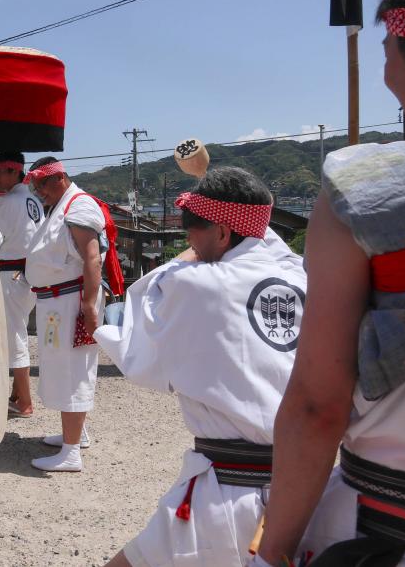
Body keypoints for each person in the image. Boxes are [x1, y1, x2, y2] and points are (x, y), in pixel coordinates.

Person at [256, 0, 405, 567]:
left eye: (388, 47)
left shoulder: (371, 188)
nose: (387, 72)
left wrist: (274, 548)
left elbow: (317, 404)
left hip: (400, 532)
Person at [94, 167, 303, 566]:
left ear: (223, 233)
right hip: (305, 492)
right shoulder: (306, 277)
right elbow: (263, 242)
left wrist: (197, 252)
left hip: (225, 492)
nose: (187, 238)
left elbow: (140, 342)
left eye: (193, 227)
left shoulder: (195, 284)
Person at [24, 157, 123, 472]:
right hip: (59, 302)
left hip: (72, 301)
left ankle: (71, 452)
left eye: (42, 185)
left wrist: (88, 306)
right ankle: (76, 435)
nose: (40, 193)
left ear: (59, 179)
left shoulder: (78, 207)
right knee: (62, 367)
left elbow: (92, 259)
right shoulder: (64, 206)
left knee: (73, 369)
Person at [0, 151, 42, 417]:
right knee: (17, 331)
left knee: (14, 335)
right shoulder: (34, 201)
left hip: (10, 275)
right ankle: (17, 394)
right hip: (29, 276)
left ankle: (25, 401)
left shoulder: (8, 203)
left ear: (14, 172)